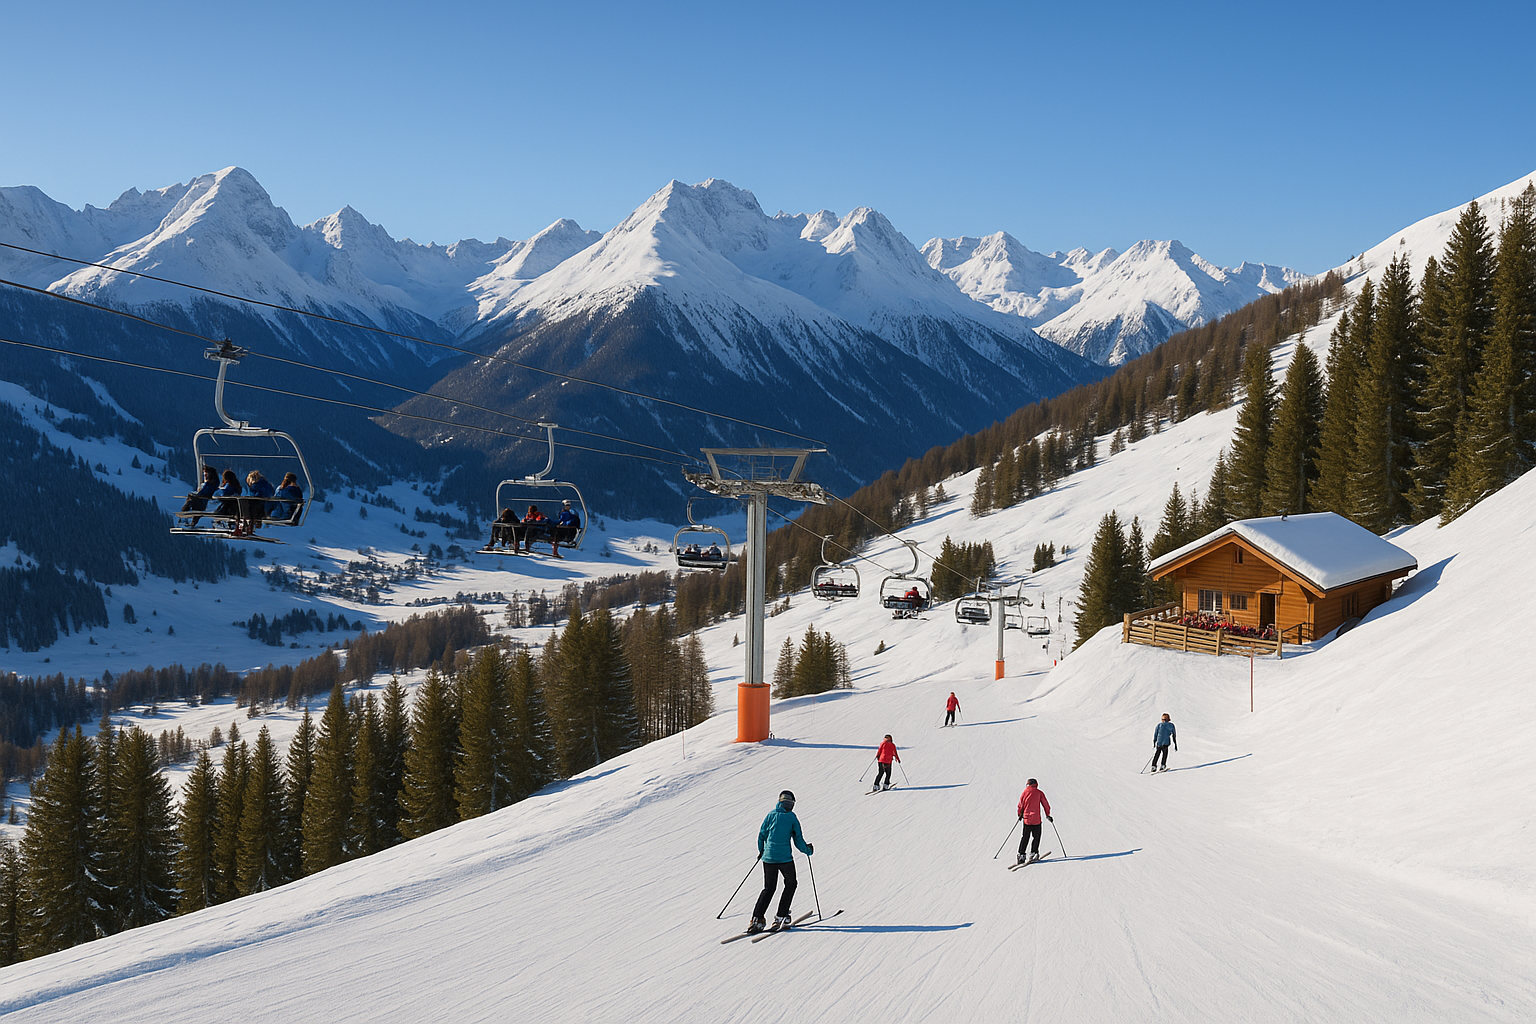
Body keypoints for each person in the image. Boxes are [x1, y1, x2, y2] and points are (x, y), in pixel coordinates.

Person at [749, 789, 813, 934]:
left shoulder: (770, 815)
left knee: (769, 888)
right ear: (790, 804)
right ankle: (781, 916)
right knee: (791, 884)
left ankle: (757, 919)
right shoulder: (791, 818)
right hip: (784, 859)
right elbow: (798, 840)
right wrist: (807, 850)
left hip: (768, 858)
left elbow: (761, 835)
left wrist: (761, 851)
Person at [1016, 778, 1052, 864]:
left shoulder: (1024, 793)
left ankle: (1021, 855)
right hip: (1036, 820)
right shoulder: (1039, 793)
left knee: (1025, 837)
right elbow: (1046, 805)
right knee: (1036, 837)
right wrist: (1048, 815)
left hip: (1027, 820)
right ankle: (1034, 853)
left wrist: (1020, 814)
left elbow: (1021, 805)